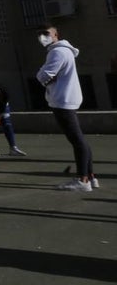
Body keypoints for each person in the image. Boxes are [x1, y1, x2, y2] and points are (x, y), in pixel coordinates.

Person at [36, 25, 96, 192]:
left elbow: (44, 75)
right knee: (79, 139)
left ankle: (83, 180)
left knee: (77, 140)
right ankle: (90, 177)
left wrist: (42, 76)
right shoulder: (62, 51)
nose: (43, 37)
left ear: (56, 35)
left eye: (46, 34)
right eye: (40, 35)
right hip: (67, 98)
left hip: (62, 100)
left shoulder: (57, 52)